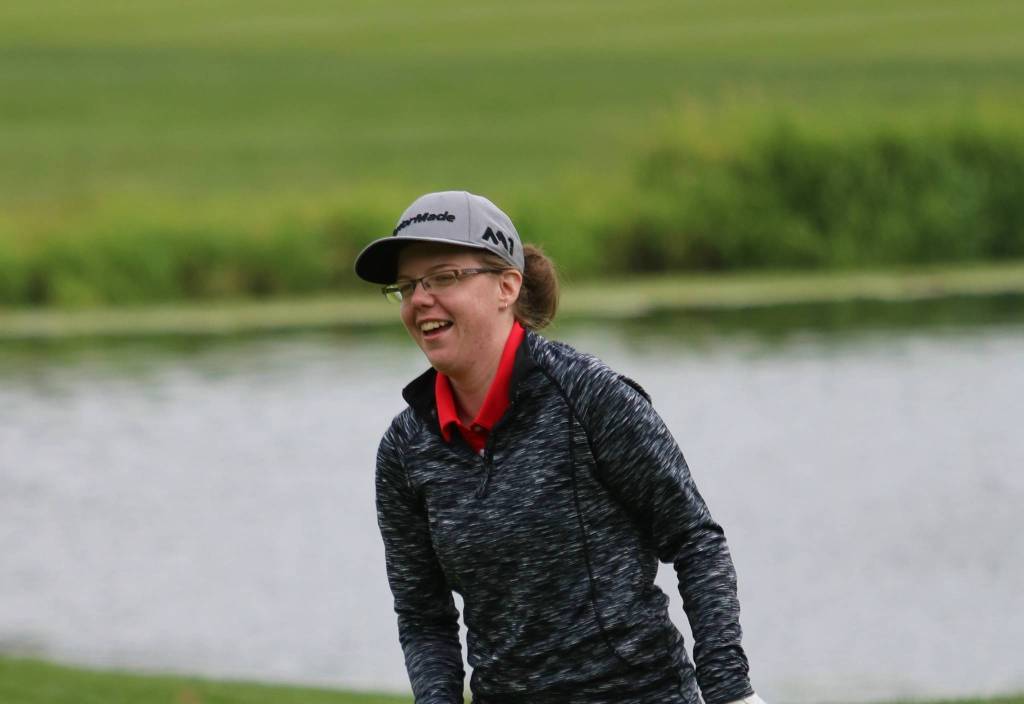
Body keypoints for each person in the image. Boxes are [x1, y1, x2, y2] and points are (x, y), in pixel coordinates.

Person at [354, 191, 766, 704]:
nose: (420, 300)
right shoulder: (404, 448)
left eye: (442, 278)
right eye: (408, 285)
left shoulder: (589, 396)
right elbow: (423, 613)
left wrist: (729, 690)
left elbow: (694, 539)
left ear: (506, 286)